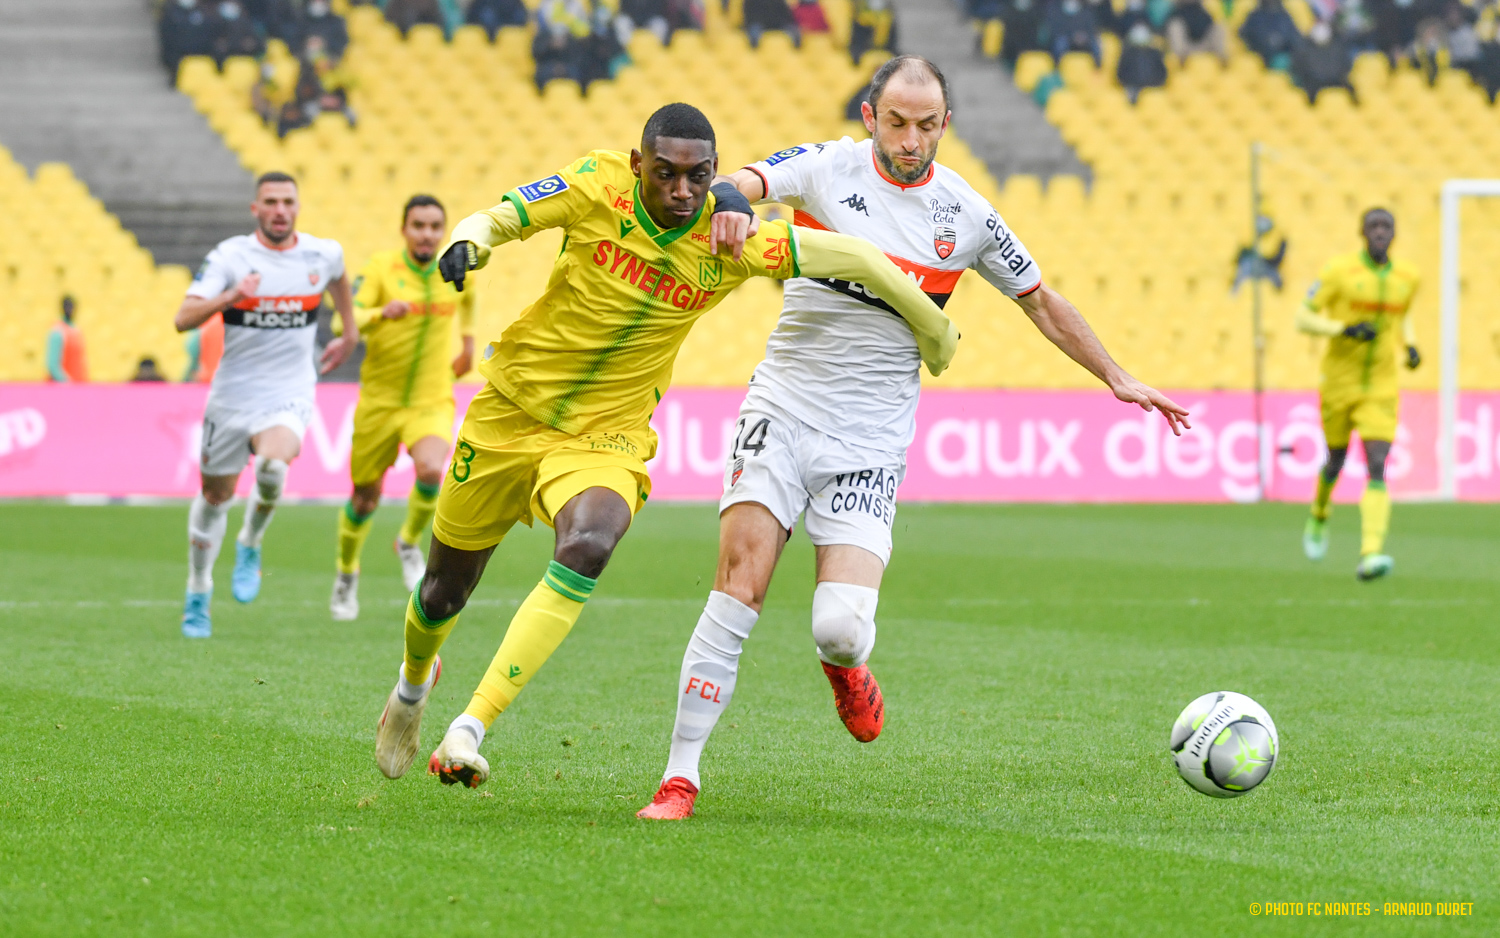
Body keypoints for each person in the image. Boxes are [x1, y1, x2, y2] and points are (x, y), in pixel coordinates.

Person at [636, 57, 1191, 820]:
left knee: (837, 627)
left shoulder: (964, 215)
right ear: (870, 116)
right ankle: (680, 778)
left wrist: (1117, 376)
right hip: (785, 405)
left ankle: (846, 665)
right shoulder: (829, 168)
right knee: (740, 585)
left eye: (925, 125)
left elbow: (1041, 301)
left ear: (945, 126)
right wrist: (729, 201)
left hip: (871, 439)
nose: (910, 139)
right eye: (896, 122)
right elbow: (747, 181)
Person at [370, 102, 961, 788]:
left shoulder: (728, 237)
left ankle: (470, 727)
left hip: (607, 436)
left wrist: (931, 325)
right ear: (636, 166)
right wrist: (472, 237)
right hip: (507, 413)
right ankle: (412, 690)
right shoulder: (596, 186)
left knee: (589, 542)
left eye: (699, 176)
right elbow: (504, 216)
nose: (683, 191)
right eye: (666, 174)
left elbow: (855, 257)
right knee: (444, 592)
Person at [173, 171, 358, 638]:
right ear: (255, 209)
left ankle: (251, 541)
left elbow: (338, 277)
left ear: (297, 206)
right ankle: (198, 588)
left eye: (287, 201)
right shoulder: (231, 257)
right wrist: (233, 295)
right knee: (215, 496)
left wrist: (349, 330)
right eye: (270, 202)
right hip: (232, 395)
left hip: (289, 390)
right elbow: (182, 318)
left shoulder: (322, 252)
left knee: (275, 468)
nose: (280, 209)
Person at [330, 195, 475, 621]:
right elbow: (343, 322)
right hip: (379, 402)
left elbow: (467, 333)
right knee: (364, 497)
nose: (427, 234)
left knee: (432, 469)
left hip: (430, 400)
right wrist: (379, 314)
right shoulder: (380, 268)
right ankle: (346, 573)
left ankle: (409, 541)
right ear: (404, 230)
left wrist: (455, 361)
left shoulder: (456, 271)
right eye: (419, 225)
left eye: (435, 226)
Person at [1297, 208, 1420, 581]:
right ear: (1362, 233)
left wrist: (1410, 345)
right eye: (1374, 227)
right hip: (1340, 381)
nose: (1381, 232)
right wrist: (1342, 329)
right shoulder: (1339, 272)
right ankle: (1319, 514)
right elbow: (1303, 317)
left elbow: (1401, 318)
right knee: (1334, 460)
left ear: (1395, 234)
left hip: (1381, 384)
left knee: (1378, 464)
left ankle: (1371, 552)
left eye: (1387, 227)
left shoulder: (1407, 278)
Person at [1292, 20, 1352, 101]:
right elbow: (1300, 69)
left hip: (1336, 81)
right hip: (1314, 83)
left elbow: (1346, 65)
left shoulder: (1337, 47)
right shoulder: (1304, 50)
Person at [159, 0, 216, 81]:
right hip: (178, 52)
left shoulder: (203, 11)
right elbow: (167, 36)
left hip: (201, 51)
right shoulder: (171, 12)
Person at [1239, 0, 1302, 70]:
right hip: (1263, 63)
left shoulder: (1285, 16)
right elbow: (1248, 40)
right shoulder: (1254, 18)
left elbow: (1295, 41)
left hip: (1287, 61)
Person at [1118, 20, 1168, 99]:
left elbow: (1162, 73)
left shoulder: (1155, 53)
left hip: (1152, 89)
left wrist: (1154, 85)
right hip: (1133, 89)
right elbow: (1121, 74)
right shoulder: (1127, 54)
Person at [45, 296, 88, 383]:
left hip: (77, 385)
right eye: (67, 306)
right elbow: (53, 365)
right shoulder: (58, 331)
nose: (69, 309)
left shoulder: (76, 330)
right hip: (62, 388)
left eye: (71, 307)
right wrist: (66, 383)